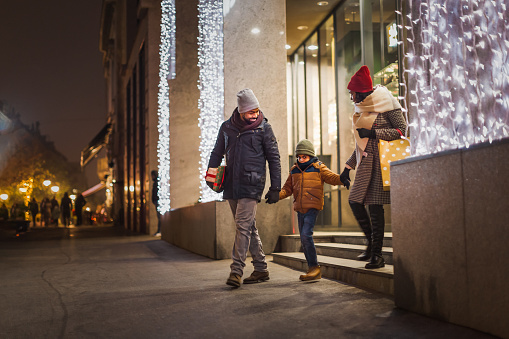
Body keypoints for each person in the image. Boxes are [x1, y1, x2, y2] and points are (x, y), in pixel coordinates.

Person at [207, 88, 281, 288]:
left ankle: (236, 271)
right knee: (248, 226)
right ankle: (261, 268)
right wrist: (210, 174)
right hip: (231, 183)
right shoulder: (227, 128)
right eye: (250, 112)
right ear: (241, 111)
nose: (255, 115)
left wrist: (276, 187)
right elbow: (216, 153)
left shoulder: (264, 128)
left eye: (257, 111)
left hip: (252, 183)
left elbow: (274, 158)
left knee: (242, 225)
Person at [339, 65, 407, 269]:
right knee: (354, 202)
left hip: (381, 163)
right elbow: (361, 144)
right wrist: (347, 167)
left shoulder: (387, 103)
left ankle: (377, 255)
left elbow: (401, 130)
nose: (352, 98)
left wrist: (375, 133)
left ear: (362, 92)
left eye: (353, 93)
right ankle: (370, 245)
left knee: (375, 208)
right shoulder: (361, 108)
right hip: (365, 163)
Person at [279, 139, 345, 281]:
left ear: (310, 155)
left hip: (312, 206)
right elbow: (287, 189)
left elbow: (331, 177)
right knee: (304, 238)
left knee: (306, 235)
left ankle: (315, 267)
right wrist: (276, 196)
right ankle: (312, 269)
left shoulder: (318, 167)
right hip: (300, 208)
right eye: (299, 157)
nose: (301, 159)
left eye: (304, 156)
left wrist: (342, 178)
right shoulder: (294, 170)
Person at [151, 170, 161, 237]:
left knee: (160, 216)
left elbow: (155, 193)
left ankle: (159, 231)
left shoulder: (157, 183)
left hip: (158, 201)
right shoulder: (155, 182)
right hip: (156, 201)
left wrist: (155, 200)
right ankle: (159, 230)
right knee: (159, 217)